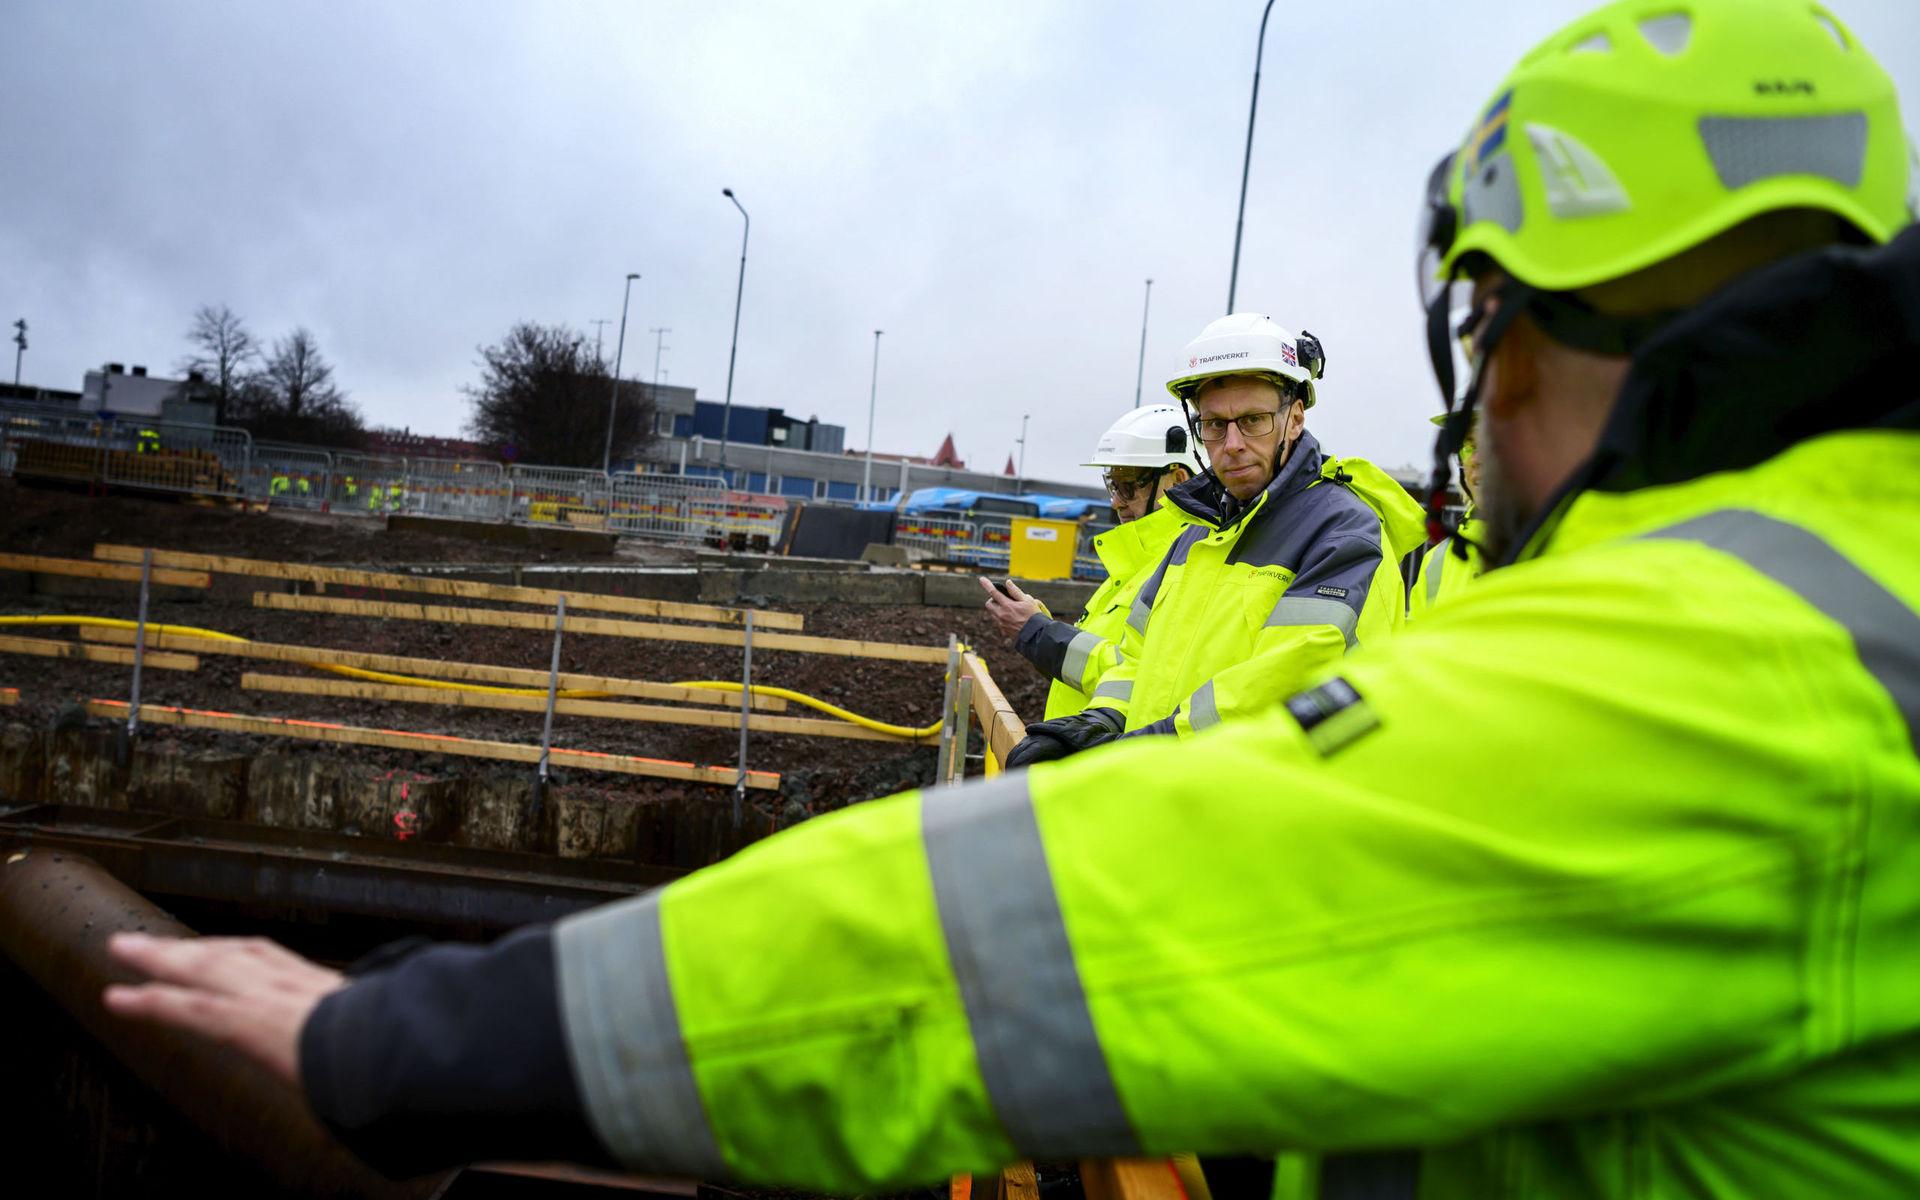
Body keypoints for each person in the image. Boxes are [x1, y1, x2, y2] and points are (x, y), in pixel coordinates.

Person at [103, 1, 1918, 1195]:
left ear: (1525, 328)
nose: (1205, 451)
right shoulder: (1838, 602)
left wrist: (396, 1035)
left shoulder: (1743, 670)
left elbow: (1063, 927)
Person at [1006, 316, 1424, 765]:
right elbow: (1134, 662)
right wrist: (1101, 722)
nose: (1232, 443)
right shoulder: (1197, 535)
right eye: (1213, 425)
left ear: (1295, 417)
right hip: (1172, 794)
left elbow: (1282, 685)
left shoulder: (1343, 533)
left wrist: (1138, 750)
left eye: (1253, 420)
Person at [979, 405, 1204, 720]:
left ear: (1177, 481)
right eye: (1112, 484)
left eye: (1127, 485)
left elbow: (1141, 679)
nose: (1115, 501)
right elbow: (1093, 665)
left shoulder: (1187, 569)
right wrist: (1040, 625)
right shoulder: (1135, 569)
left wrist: (1040, 632)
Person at [1408, 414, 1485, 618]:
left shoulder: (1561, 544)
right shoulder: (1437, 561)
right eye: (1468, 447)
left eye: (1490, 442)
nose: (1475, 460)